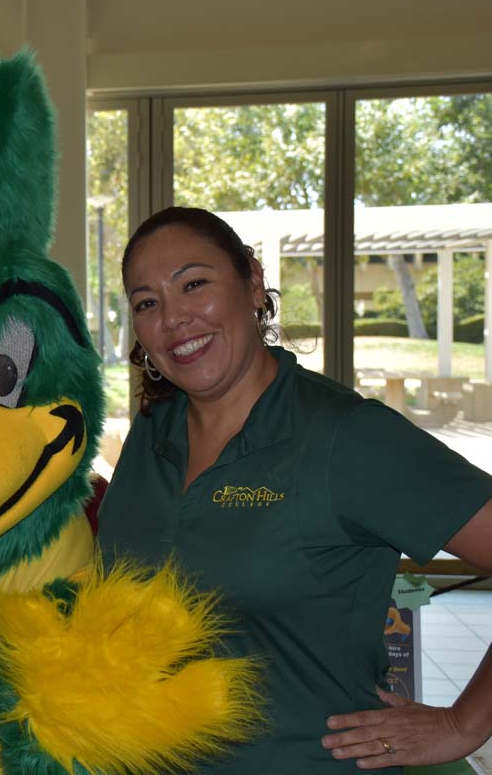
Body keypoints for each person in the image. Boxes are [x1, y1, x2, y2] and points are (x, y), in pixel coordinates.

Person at [96, 206, 492, 774]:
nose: (174, 318)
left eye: (195, 284)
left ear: (253, 283)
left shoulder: (345, 437)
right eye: (146, 303)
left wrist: (463, 725)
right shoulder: (151, 434)